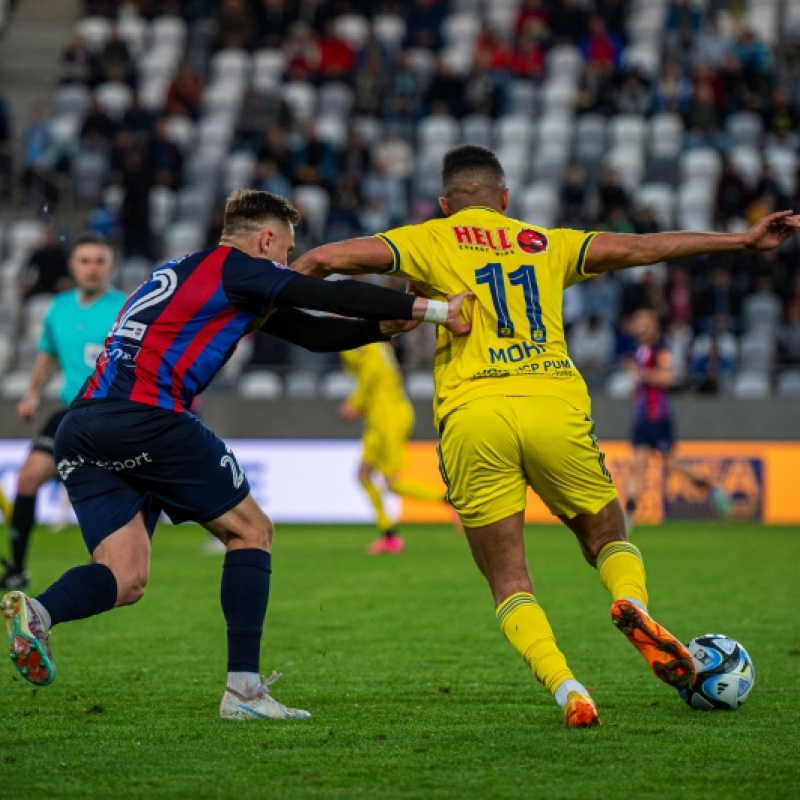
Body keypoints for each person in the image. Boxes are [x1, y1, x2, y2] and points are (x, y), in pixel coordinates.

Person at [292, 144, 800, 727]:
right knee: (607, 535)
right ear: (505, 200)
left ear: (444, 205)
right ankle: (630, 601)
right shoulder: (546, 242)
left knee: (508, 578)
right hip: (553, 400)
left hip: (474, 412)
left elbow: (325, 258)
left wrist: (268, 296)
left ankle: (569, 689)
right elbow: (644, 248)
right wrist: (741, 240)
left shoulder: (426, 238)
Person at [2, 189, 470, 722]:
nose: (288, 263)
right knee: (252, 530)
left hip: (82, 427)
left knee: (124, 576)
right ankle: (244, 694)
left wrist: (387, 327)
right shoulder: (238, 268)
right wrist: (434, 309)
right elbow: (327, 297)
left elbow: (310, 332)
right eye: (287, 251)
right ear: (266, 239)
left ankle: (38, 611)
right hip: (147, 417)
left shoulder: (186, 271)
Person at [1, 234, 126, 590]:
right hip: (71, 409)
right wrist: (32, 393)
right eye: (84, 261)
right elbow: (49, 353)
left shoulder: (125, 308)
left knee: (111, 487)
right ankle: (17, 569)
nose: (92, 268)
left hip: (112, 412)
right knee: (27, 479)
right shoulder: (59, 308)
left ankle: (113, 565)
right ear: (72, 266)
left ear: (111, 267)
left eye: (99, 261)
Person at [339, 340, 456, 554]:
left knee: (391, 482)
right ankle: (389, 535)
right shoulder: (374, 347)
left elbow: (371, 376)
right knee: (364, 475)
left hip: (387, 420)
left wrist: (354, 404)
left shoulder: (370, 351)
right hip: (379, 418)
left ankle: (448, 500)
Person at [623, 307, 732, 530]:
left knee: (671, 464)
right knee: (637, 465)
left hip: (659, 416)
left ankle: (713, 488)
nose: (638, 324)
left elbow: (669, 377)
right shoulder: (641, 349)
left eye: (642, 319)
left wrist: (641, 374)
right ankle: (628, 517)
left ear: (653, 324)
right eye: (637, 319)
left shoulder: (661, 348)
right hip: (642, 417)